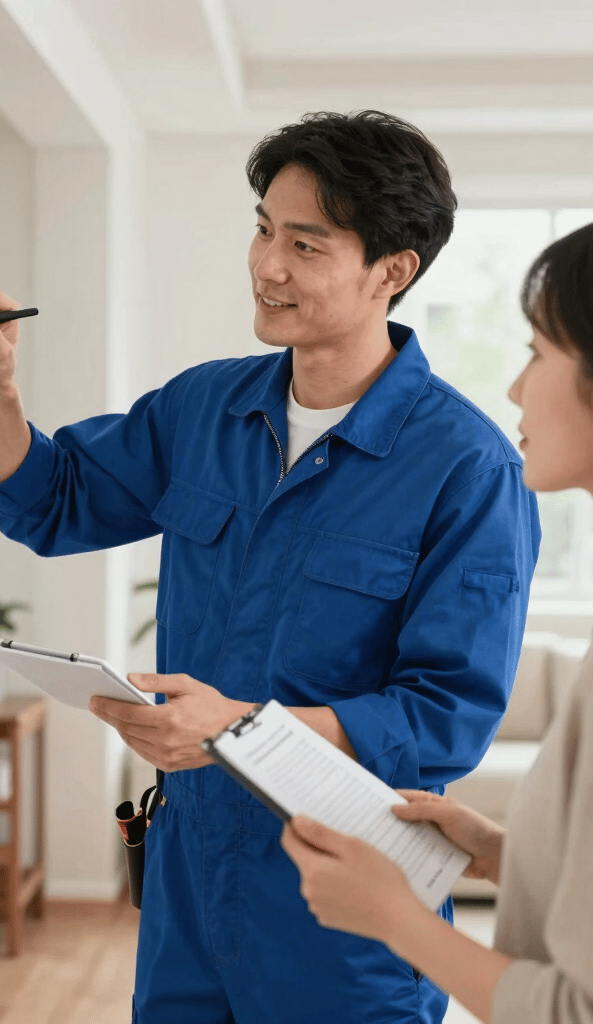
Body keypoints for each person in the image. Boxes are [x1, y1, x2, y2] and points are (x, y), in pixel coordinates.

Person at [0, 110, 540, 1024]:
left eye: (305, 244)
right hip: (189, 875)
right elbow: (53, 499)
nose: (268, 266)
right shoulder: (204, 408)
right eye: (264, 230)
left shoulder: (468, 468)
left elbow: (444, 719)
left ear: (392, 271)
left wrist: (240, 729)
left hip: (344, 897)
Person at [281, 221, 593, 1024]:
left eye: (538, 353)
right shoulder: (207, 406)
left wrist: (395, 919)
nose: (516, 389)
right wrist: (503, 852)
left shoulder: (471, 464)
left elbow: (575, 1007)